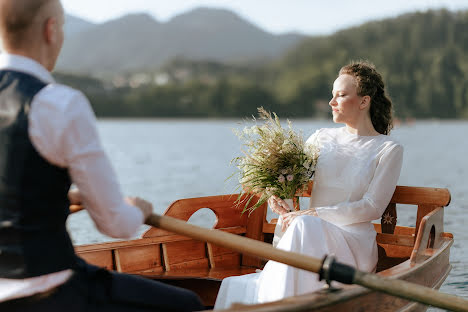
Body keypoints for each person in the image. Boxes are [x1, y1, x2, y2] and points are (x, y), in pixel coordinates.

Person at [0, 0, 204, 311]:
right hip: (50, 291)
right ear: (50, 30)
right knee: (187, 304)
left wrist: (60, 195)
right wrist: (137, 208)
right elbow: (116, 225)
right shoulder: (59, 104)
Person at [214, 61, 404, 309]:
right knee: (298, 227)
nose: (331, 102)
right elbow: (292, 178)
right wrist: (277, 194)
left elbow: (372, 207)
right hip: (309, 234)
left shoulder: (388, 149)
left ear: (364, 101)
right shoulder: (322, 138)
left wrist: (314, 213)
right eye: (332, 95)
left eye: (341, 95)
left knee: (303, 224)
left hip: (351, 243)